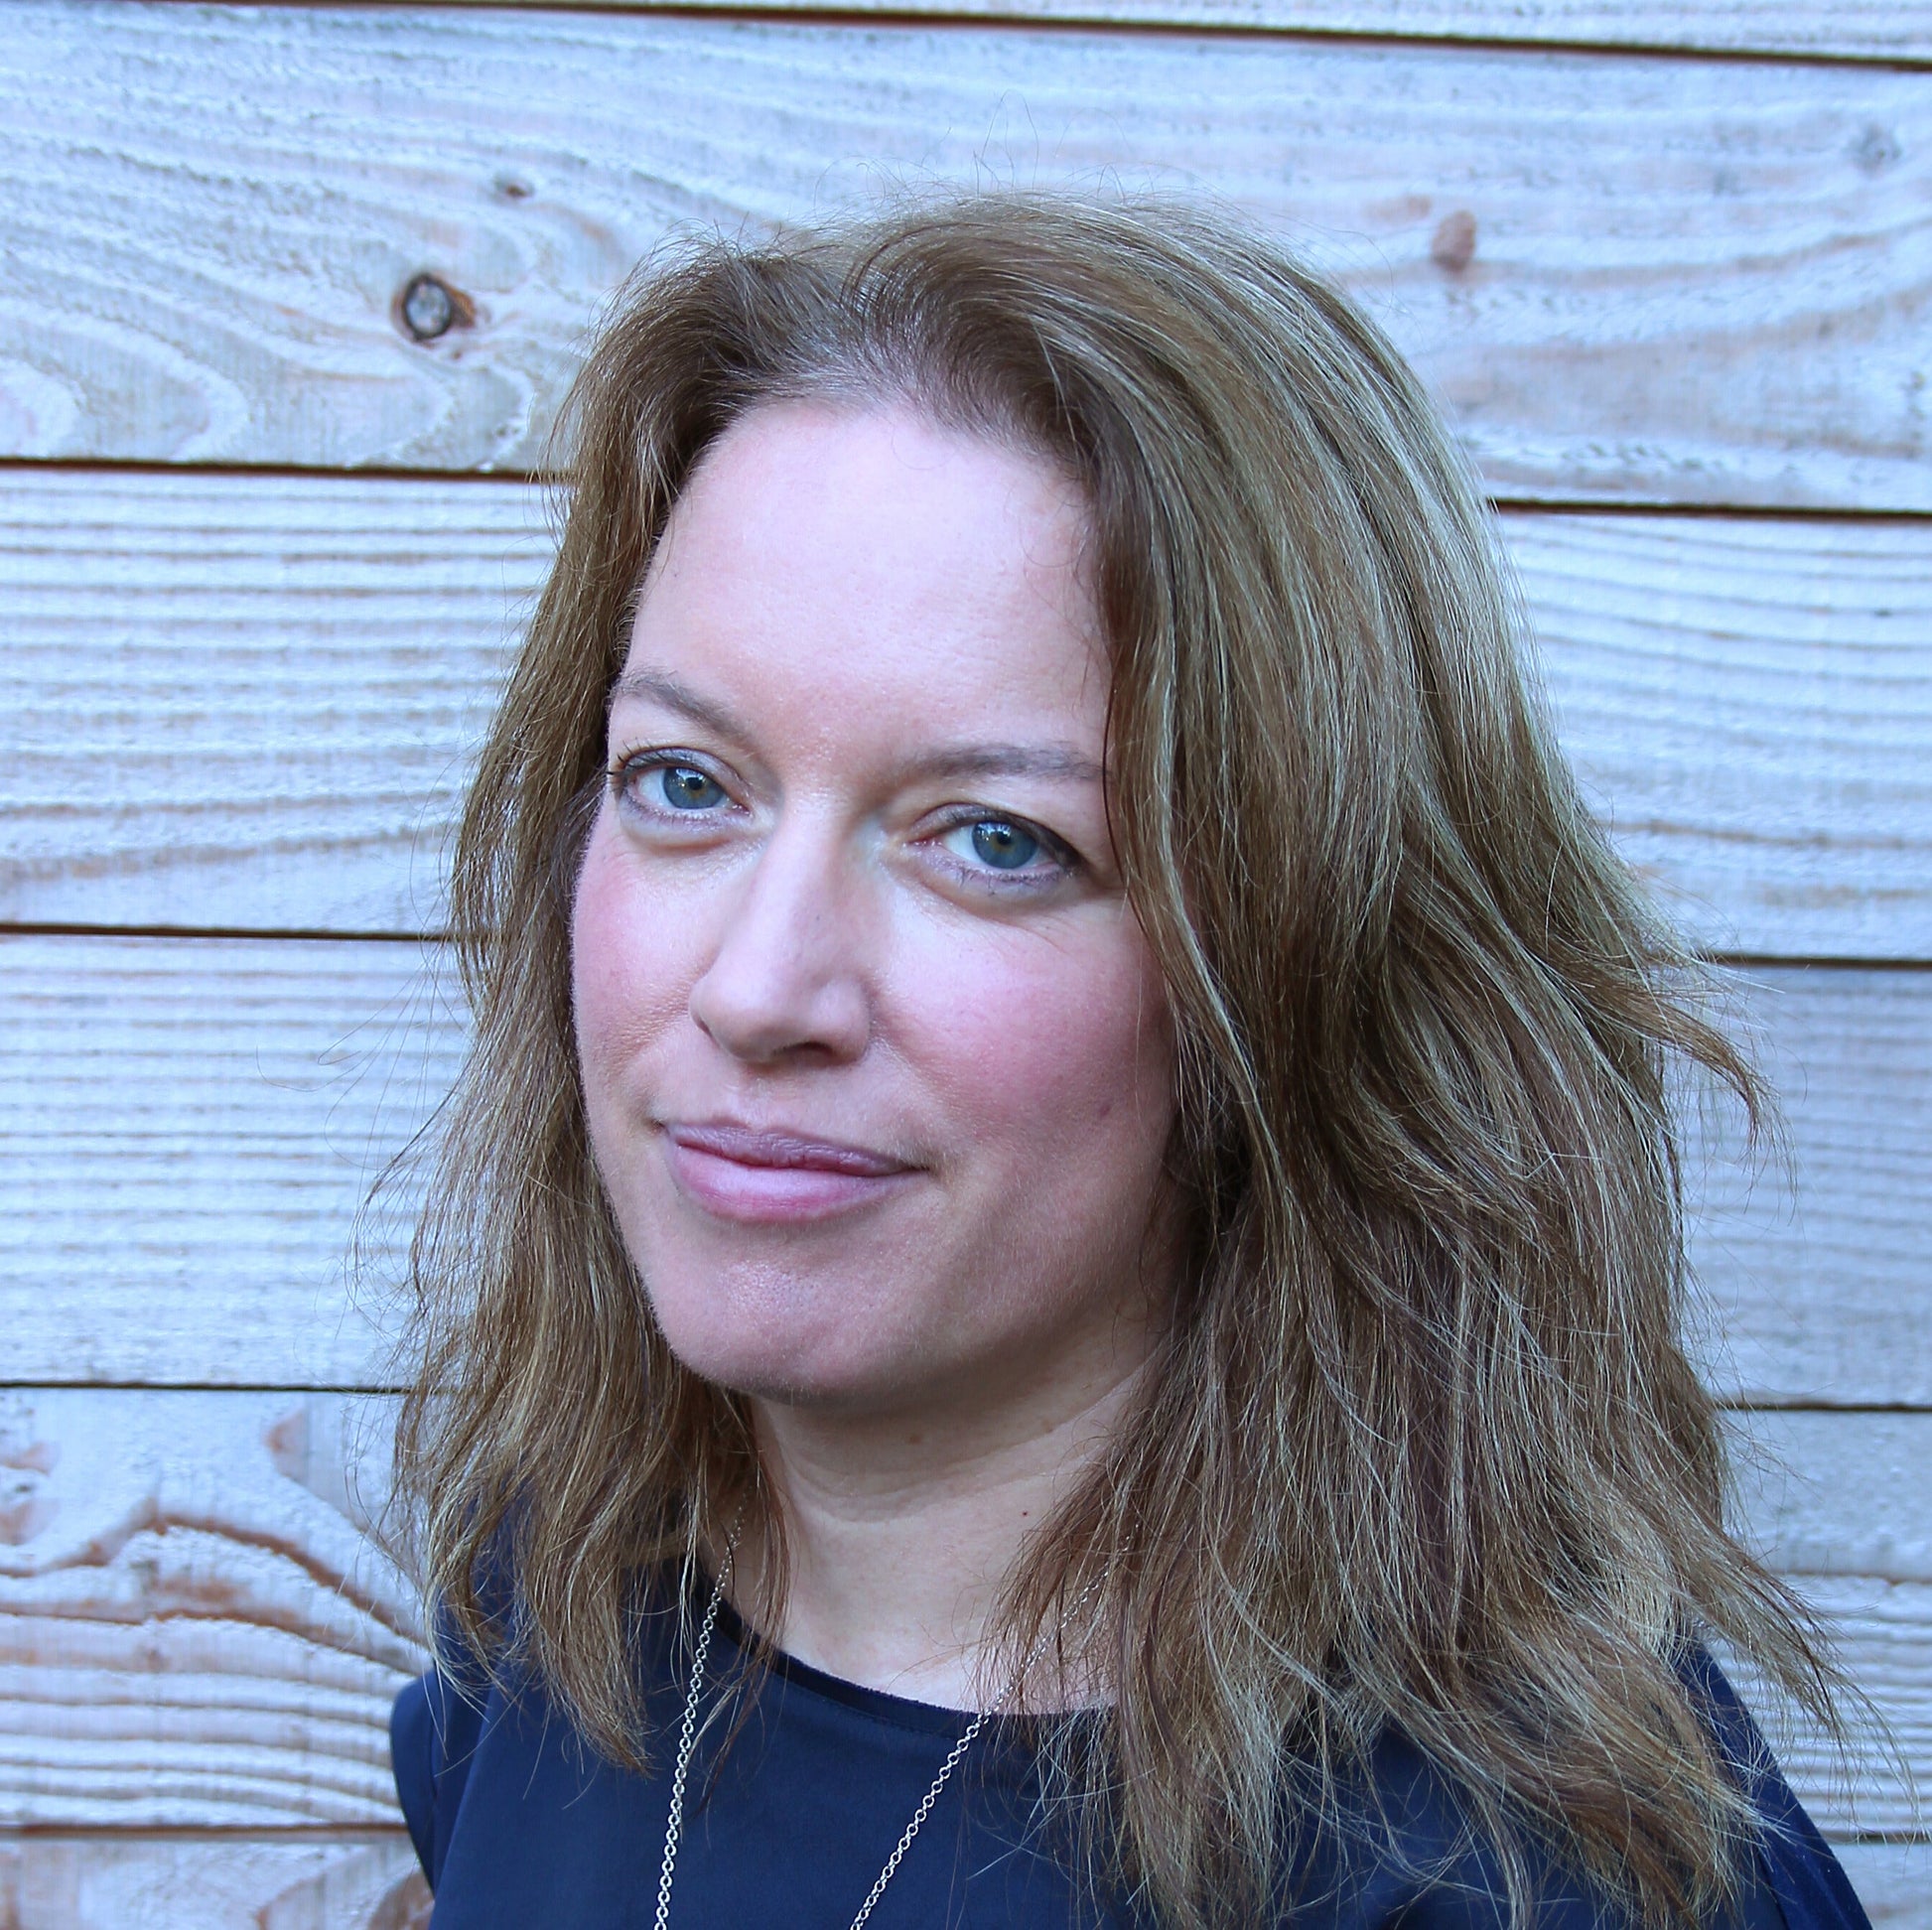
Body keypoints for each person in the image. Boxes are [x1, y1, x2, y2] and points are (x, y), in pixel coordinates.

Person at [386, 192, 1872, 1928]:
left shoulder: (1522, 1879)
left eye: (995, 841)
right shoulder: (558, 1603)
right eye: (686, 785)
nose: (759, 987)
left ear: (1304, 963)